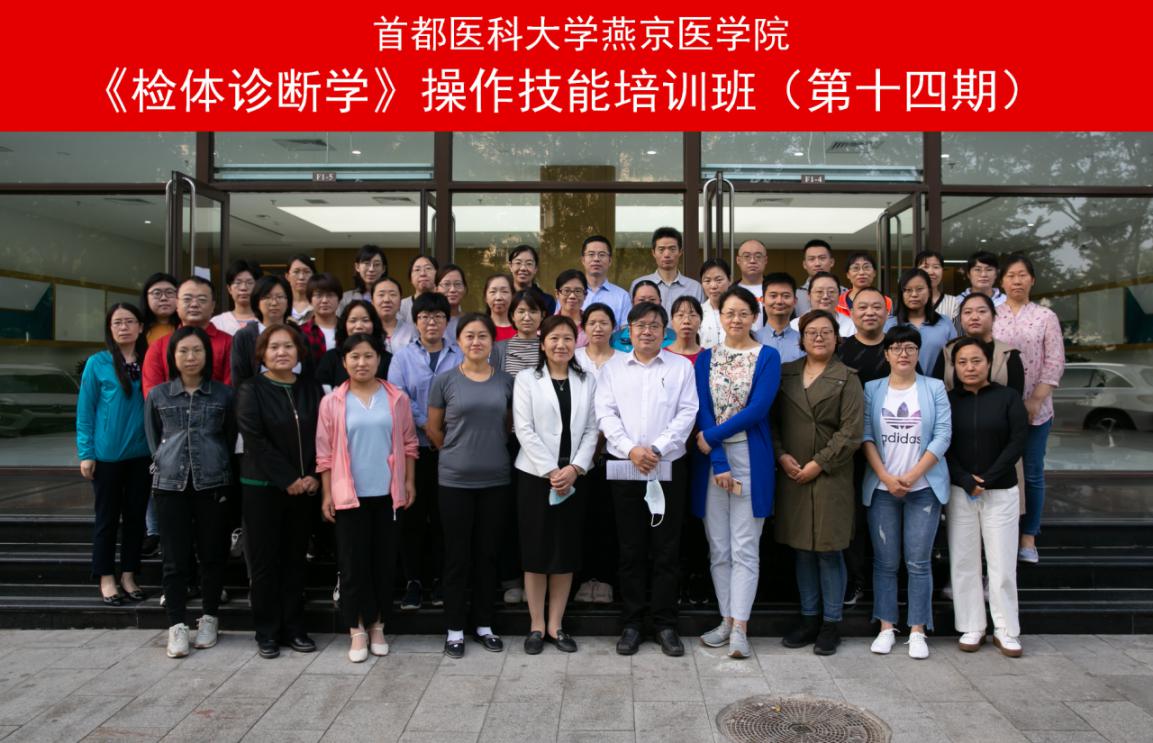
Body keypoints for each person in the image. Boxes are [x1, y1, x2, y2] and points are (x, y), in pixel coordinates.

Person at [596, 301, 699, 657]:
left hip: (667, 466)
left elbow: (688, 412)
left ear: (664, 331)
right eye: (640, 325)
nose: (647, 331)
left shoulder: (680, 367)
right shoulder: (613, 368)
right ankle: (632, 623)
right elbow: (605, 413)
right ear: (628, 331)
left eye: (654, 325)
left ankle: (665, 624)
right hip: (625, 467)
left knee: (667, 549)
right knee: (630, 548)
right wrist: (631, 450)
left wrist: (655, 448)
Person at [317, 333, 419, 662]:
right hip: (350, 496)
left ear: (379, 359)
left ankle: (378, 624)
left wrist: (409, 482)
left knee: (383, 563)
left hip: (387, 494)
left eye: (368, 356)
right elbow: (324, 454)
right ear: (344, 362)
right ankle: (356, 627)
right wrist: (327, 494)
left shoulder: (396, 398)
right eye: (355, 357)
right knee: (352, 564)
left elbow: (409, 444)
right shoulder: (333, 402)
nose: (361, 363)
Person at [692, 287, 781, 659]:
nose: (736, 319)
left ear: (754, 316)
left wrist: (712, 438)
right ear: (719, 316)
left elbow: (758, 409)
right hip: (712, 461)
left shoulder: (767, 356)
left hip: (750, 456)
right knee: (719, 547)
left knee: (745, 546)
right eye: (729, 313)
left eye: (743, 313)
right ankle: (726, 620)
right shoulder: (705, 357)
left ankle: (741, 627)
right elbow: (702, 408)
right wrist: (718, 461)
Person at [773, 310, 863, 656]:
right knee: (802, 550)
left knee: (828, 550)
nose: (819, 337)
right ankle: (809, 618)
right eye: (812, 332)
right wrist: (781, 455)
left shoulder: (847, 378)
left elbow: (851, 432)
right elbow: (772, 421)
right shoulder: (787, 373)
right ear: (801, 339)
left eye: (826, 331)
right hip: (792, 472)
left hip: (830, 475)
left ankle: (831, 623)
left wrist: (819, 463)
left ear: (837, 338)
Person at [143, 326, 237, 659]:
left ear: (207, 355)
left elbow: (228, 438)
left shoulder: (224, 395)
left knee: (212, 555)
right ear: (173, 356)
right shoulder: (159, 395)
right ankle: (177, 625)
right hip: (170, 485)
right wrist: (165, 462)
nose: (191, 357)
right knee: (174, 559)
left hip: (213, 483)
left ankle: (209, 618)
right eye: (183, 351)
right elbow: (154, 439)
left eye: (197, 350)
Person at [427, 314, 516, 658]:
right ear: (459, 341)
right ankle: (454, 628)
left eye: (482, 336)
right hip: (455, 481)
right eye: (469, 336)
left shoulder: (506, 381)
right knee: (457, 556)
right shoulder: (445, 381)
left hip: (496, 479)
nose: (476, 342)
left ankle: (484, 624)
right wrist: (456, 453)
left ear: (492, 342)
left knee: (487, 554)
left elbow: (508, 425)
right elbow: (434, 430)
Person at [862, 326, 952, 660]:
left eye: (910, 347)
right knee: (885, 562)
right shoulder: (872, 389)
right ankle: (887, 626)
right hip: (882, 487)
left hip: (923, 488)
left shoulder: (934, 387)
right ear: (886, 354)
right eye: (896, 348)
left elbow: (942, 435)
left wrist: (913, 475)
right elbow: (865, 435)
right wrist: (886, 476)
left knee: (918, 561)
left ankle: (917, 629)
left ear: (917, 353)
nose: (903, 353)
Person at [235, 324, 324, 659]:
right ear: (262, 353)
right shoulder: (251, 389)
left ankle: (295, 628)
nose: (281, 352)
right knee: (264, 562)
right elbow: (254, 439)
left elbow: (324, 435)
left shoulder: (311, 388)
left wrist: (313, 474)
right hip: (263, 488)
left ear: (299, 352)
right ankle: (267, 632)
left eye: (288, 346)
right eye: (274, 347)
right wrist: (288, 478)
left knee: (295, 560)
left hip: (304, 489)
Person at [513, 315, 599, 654]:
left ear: (575, 343)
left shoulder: (587, 380)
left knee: (565, 551)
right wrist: (552, 470)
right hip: (535, 477)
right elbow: (524, 429)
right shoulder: (526, 379)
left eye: (567, 338)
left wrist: (575, 468)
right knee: (536, 552)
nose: (561, 345)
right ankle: (536, 625)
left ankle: (556, 625)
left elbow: (592, 429)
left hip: (575, 478)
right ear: (542, 343)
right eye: (554, 338)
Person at [946, 338, 1029, 658]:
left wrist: (989, 478)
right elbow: (942, 443)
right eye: (962, 362)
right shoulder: (948, 400)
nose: (969, 367)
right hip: (960, 490)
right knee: (964, 560)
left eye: (976, 361)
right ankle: (972, 626)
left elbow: (1017, 441)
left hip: (1001, 490)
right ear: (954, 367)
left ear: (989, 363)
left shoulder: (1008, 397)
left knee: (1002, 563)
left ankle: (1006, 629)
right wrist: (965, 479)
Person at [387, 293, 462, 612]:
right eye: (425, 317)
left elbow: (465, 393)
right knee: (412, 517)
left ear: (447, 321)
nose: (432, 322)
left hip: (451, 448)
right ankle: (414, 581)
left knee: (446, 518)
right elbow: (398, 397)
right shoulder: (402, 357)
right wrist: (428, 426)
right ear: (415, 322)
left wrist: (441, 430)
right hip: (413, 451)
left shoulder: (460, 354)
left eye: (438, 316)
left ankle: (445, 580)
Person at [993, 253, 1065, 564]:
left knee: (1033, 473)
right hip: (998, 410)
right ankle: (1002, 535)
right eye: (1010, 275)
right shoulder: (992, 314)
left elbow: (1055, 361)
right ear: (1002, 282)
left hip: (1037, 410)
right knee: (1002, 471)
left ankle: (1028, 536)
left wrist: (1035, 400)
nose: (1017, 281)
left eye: (1022, 275)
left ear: (1032, 280)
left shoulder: (1046, 316)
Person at [78, 303, 151, 606]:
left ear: (140, 327)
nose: (123, 327)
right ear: (110, 328)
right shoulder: (98, 363)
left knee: (136, 518)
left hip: (142, 454)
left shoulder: (150, 360)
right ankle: (106, 577)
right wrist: (86, 452)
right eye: (117, 322)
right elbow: (85, 410)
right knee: (107, 518)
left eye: (129, 321)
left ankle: (129, 575)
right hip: (106, 456)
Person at [836, 286, 893, 607]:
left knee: (887, 516)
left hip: (894, 449)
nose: (870, 312)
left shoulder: (897, 348)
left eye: (876, 307)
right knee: (854, 518)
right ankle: (855, 580)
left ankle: (889, 582)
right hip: (851, 451)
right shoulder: (841, 350)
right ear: (851, 313)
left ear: (886, 312)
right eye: (863, 307)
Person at [571, 303, 624, 605]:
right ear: (584, 327)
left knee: (609, 517)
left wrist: (605, 440)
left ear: (613, 327)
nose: (598, 328)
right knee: (581, 517)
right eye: (592, 322)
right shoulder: (574, 358)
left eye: (604, 322)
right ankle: (581, 578)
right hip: (577, 451)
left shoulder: (624, 360)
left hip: (614, 450)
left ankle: (605, 579)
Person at [142, 276, 232, 397]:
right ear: (177, 304)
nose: (194, 304)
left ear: (212, 306)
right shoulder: (158, 346)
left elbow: (230, 391)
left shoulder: (229, 343)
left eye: (202, 299)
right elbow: (152, 393)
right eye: (187, 299)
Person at [934, 292, 1025, 395]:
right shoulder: (948, 351)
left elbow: (1016, 396)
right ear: (960, 319)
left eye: (982, 311)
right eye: (967, 312)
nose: (974, 317)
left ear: (993, 317)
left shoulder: (1008, 354)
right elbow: (936, 392)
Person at [886, 268, 957, 377]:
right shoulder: (888, 324)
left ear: (929, 291)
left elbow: (955, 358)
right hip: (898, 385)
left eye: (919, 289)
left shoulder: (945, 323)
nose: (914, 294)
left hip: (938, 385)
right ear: (901, 294)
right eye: (908, 290)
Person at [231, 275, 298, 386]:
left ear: (288, 302)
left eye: (280, 297)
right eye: (267, 297)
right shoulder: (244, 336)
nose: (274, 303)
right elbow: (239, 381)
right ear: (257, 301)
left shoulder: (299, 335)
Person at [316, 300, 390, 393]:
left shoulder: (387, 359)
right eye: (353, 321)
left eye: (365, 320)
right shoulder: (331, 358)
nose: (359, 326)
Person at [630, 227, 705, 307]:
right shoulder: (639, 285)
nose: (666, 255)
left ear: (680, 252)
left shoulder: (695, 287)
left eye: (672, 249)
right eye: (661, 249)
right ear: (653, 252)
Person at [580, 235, 631, 330]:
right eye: (591, 254)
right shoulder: (570, 295)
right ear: (583, 260)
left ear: (610, 260)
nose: (596, 259)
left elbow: (625, 333)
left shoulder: (622, 296)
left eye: (602, 254)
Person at [610, 281, 676, 352]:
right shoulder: (615, 340)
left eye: (652, 299)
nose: (647, 303)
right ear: (632, 303)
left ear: (660, 302)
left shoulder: (674, 338)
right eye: (641, 300)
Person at [492, 290, 546, 375]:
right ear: (512, 316)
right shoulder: (498, 349)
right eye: (521, 312)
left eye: (533, 311)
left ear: (542, 315)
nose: (527, 318)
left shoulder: (549, 347)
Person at [754, 272, 805, 363]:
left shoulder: (804, 341)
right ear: (762, 300)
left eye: (786, 296)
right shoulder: (752, 339)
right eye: (773, 296)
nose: (779, 301)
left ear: (795, 301)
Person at [790, 272, 855, 337]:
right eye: (819, 291)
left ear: (839, 295)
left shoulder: (851, 326)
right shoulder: (795, 326)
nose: (825, 296)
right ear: (809, 296)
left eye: (831, 291)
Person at [298, 272, 343, 361]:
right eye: (319, 295)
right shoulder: (301, 332)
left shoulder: (348, 328)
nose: (324, 300)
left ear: (339, 299)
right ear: (310, 300)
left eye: (330, 295)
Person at [794, 240, 845, 316]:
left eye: (822, 258)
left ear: (831, 262)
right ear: (804, 264)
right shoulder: (795, 295)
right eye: (812, 259)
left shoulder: (845, 293)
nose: (817, 263)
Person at [211, 260, 261, 335]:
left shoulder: (266, 321)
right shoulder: (217, 322)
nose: (243, 288)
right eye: (238, 282)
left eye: (249, 283)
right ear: (229, 289)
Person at [836, 252, 892, 317]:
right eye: (856, 268)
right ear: (848, 275)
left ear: (874, 273)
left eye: (866, 267)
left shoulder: (886, 302)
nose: (861, 272)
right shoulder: (837, 303)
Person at [337, 245, 388, 315]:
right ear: (357, 267)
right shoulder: (345, 299)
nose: (371, 269)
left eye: (376, 264)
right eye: (367, 263)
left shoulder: (391, 298)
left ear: (383, 269)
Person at [508, 244, 557, 315]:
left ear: (535, 269)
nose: (523, 268)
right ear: (510, 266)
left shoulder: (547, 301)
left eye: (529, 264)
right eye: (518, 263)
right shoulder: (503, 298)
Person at [371, 275, 414, 352]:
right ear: (372, 301)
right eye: (381, 295)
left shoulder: (412, 331)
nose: (387, 300)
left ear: (400, 300)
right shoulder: (367, 330)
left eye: (392, 294)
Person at [916, 250, 960, 320]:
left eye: (936, 267)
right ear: (916, 271)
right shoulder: (908, 301)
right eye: (926, 267)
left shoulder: (954, 303)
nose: (931, 272)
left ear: (942, 271)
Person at [698, 258, 733, 349]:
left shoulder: (740, 311)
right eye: (707, 281)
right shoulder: (697, 312)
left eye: (719, 280)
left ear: (730, 280)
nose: (713, 286)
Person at [141, 272, 180, 344]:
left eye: (169, 292)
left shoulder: (187, 326)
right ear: (146, 297)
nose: (163, 298)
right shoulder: (138, 329)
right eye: (157, 293)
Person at [398, 255, 439, 323]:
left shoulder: (446, 303)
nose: (422, 273)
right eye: (417, 270)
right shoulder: (402, 306)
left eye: (428, 268)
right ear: (410, 278)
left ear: (437, 273)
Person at [554, 269, 590, 348]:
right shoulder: (548, 325)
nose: (572, 296)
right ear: (557, 294)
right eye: (566, 291)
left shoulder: (593, 325)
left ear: (585, 294)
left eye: (578, 291)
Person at [435, 263, 468, 341]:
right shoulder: (429, 322)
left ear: (464, 289)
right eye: (446, 284)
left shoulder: (470, 321)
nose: (452, 290)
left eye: (458, 284)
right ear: (436, 289)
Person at [667, 295, 703, 363]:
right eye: (680, 315)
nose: (686, 321)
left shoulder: (708, 357)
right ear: (672, 322)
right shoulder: (662, 355)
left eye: (692, 315)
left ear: (700, 321)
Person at [483, 273, 516, 342]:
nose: (498, 297)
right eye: (493, 292)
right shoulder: (479, 328)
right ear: (485, 298)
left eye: (504, 291)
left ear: (513, 296)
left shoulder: (521, 330)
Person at [735, 239, 768, 306]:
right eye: (747, 256)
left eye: (758, 256)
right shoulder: (729, 291)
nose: (752, 261)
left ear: (765, 260)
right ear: (738, 260)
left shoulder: (776, 290)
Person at [286, 254, 316, 324]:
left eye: (307, 272)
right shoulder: (282, 304)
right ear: (287, 276)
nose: (301, 277)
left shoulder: (320, 304)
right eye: (296, 272)